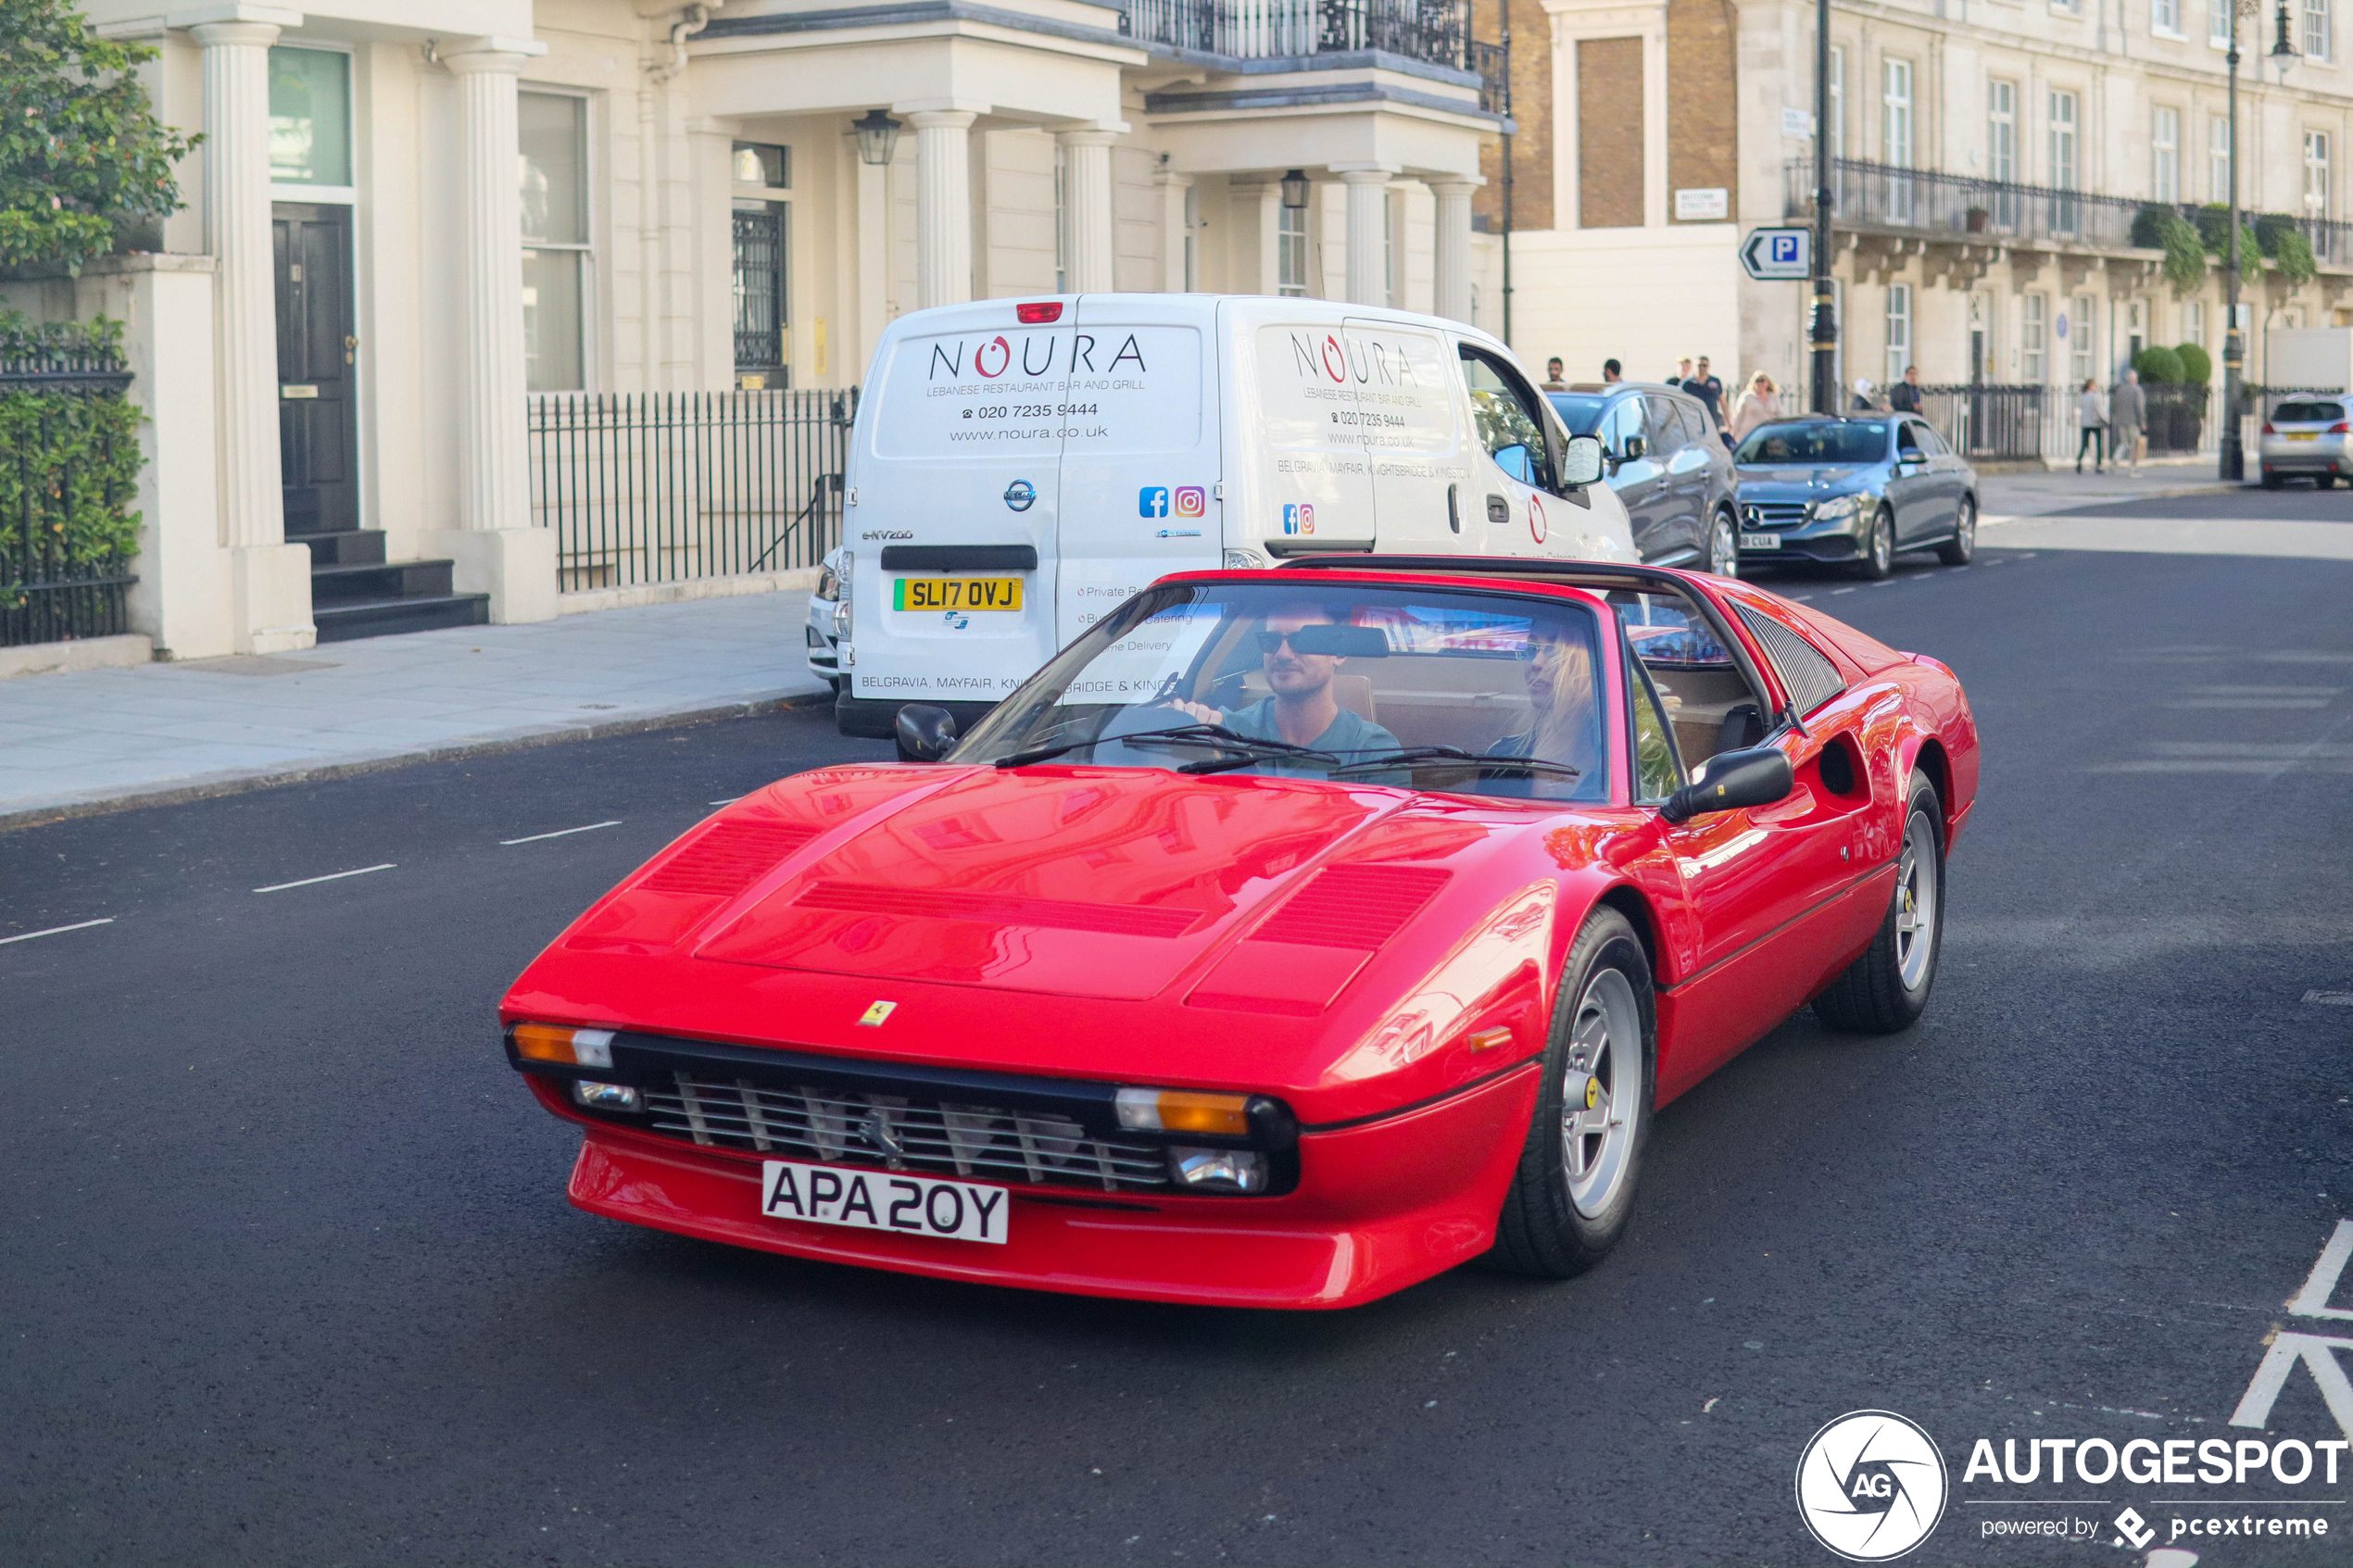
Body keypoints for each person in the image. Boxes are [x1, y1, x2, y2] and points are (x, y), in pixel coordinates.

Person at [1170, 603, 1399, 766]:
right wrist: (1177, 728)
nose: (1283, 654)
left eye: (1302, 640)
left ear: (1339, 652)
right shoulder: (1223, 733)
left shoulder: (1373, 749)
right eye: (1270, 640)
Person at [1489, 621, 1605, 791]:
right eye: (1531, 648)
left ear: (1588, 662)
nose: (1536, 663)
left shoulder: (1617, 757)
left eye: (1554, 650)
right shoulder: (1503, 757)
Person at [2110, 368, 2145, 476]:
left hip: (2121, 420)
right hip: (2133, 420)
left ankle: (2115, 459)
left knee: (2124, 443)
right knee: (2134, 444)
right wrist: (2142, 421)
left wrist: (2116, 417)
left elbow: (2114, 405)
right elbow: (2139, 406)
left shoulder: (2119, 389)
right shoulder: (2137, 389)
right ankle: (2133, 468)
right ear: (2133, 379)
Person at [1730, 371, 1780, 443]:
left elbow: (1780, 414)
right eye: (1757, 381)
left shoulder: (1774, 397)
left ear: (1767, 383)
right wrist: (1734, 433)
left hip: (1767, 434)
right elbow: (1739, 416)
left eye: (1762, 380)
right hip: (1749, 434)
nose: (1760, 383)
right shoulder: (1747, 397)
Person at [2075, 378, 2108, 472]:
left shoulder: (2082, 396)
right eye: (2095, 385)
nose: (2096, 387)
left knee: (2084, 443)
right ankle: (2098, 465)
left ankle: (2079, 460)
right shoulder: (2096, 396)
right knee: (2098, 444)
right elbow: (2100, 408)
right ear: (2091, 386)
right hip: (2095, 422)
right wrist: (2106, 419)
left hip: (2085, 422)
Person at [1686, 357, 1727, 427]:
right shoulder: (1688, 384)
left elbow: (1722, 402)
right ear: (1694, 366)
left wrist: (1727, 422)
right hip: (1694, 421)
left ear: (1708, 367)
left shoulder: (1715, 381)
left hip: (1712, 421)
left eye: (1704, 365)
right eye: (1699, 365)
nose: (1702, 368)